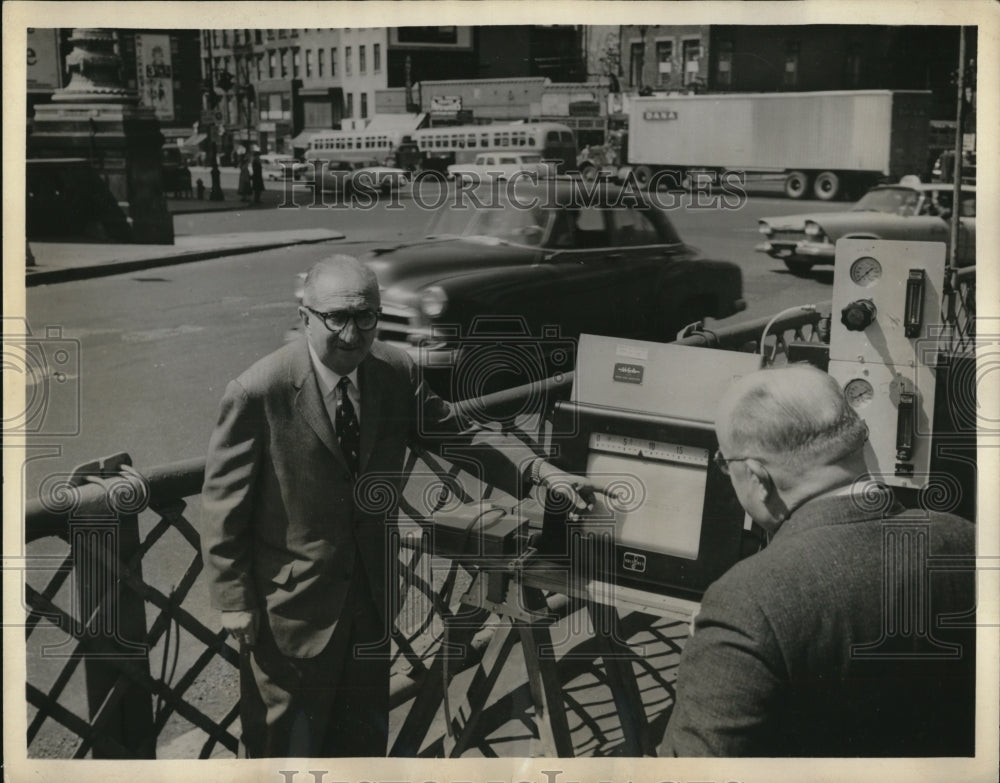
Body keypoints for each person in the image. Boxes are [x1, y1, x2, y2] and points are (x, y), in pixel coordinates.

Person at [201, 254, 599, 758]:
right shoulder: (259, 391)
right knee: (283, 745)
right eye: (336, 317)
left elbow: (459, 436)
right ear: (306, 317)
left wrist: (541, 472)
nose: (352, 334)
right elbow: (224, 505)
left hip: (370, 600)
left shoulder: (394, 370)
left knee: (363, 743)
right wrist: (234, 600)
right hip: (291, 612)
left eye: (366, 316)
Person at [658, 364, 975, 757]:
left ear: (757, 476)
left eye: (726, 462)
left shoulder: (744, 604)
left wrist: (713, 651)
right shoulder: (967, 539)